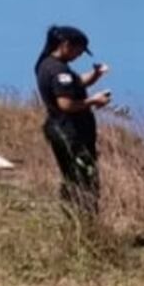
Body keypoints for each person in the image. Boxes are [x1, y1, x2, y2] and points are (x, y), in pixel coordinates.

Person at [34, 26, 110, 215]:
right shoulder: (59, 71)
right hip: (71, 132)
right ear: (66, 45)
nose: (79, 56)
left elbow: (75, 82)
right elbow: (66, 104)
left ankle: (71, 217)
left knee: (70, 176)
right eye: (78, 51)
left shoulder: (46, 63)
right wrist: (94, 100)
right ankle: (85, 220)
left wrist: (95, 75)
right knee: (84, 178)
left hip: (58, 128)